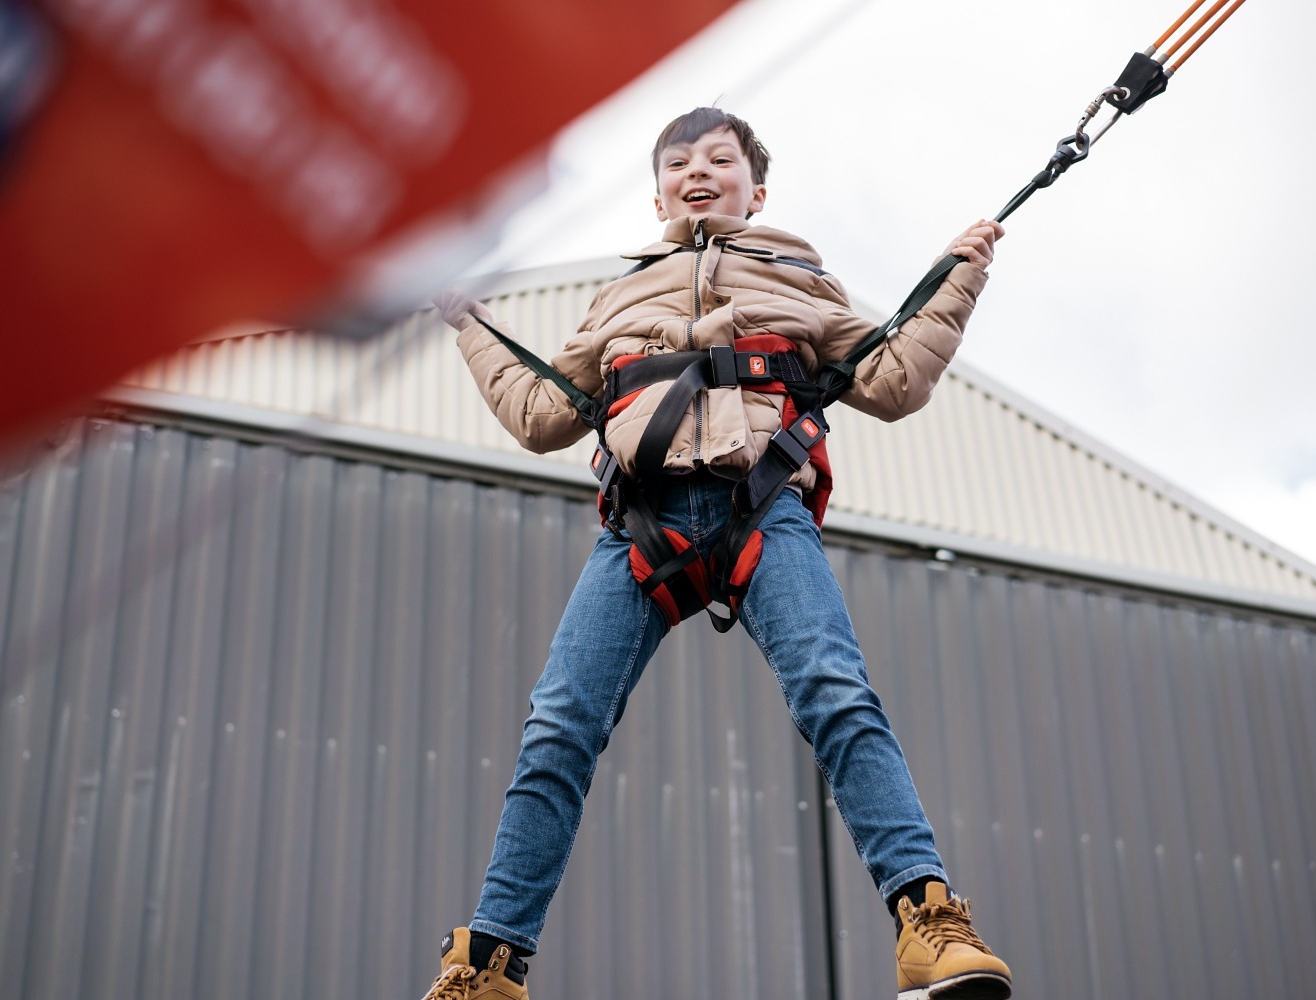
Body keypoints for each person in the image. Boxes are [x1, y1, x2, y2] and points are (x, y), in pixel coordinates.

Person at [424, 107, 1010, 1000]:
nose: (697, 172)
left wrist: (958, 275)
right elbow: (542, 413)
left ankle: (928, 922)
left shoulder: (803, 279)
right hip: (640, 527)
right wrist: (470, 325)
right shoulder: (618, 298)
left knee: (835, 693)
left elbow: (892, 382)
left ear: (756, 186)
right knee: (557, 731)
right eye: (677, 162)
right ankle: (489, 968)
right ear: (657, 190)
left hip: (761, 512)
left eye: (719, 159)